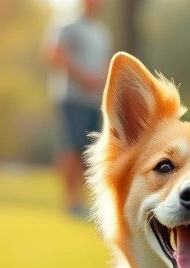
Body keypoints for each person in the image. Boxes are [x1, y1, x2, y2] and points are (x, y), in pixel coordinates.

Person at [42, 0, 112, 218]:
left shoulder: (102, 33)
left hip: (93, 101)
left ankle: (80, 201)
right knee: (70, 147)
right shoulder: (67, 25)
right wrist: (82, 77)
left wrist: (101, 81)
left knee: (87, 151)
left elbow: (104, 64)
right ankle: (70, 201)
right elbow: (54, 54)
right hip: (71, 98)